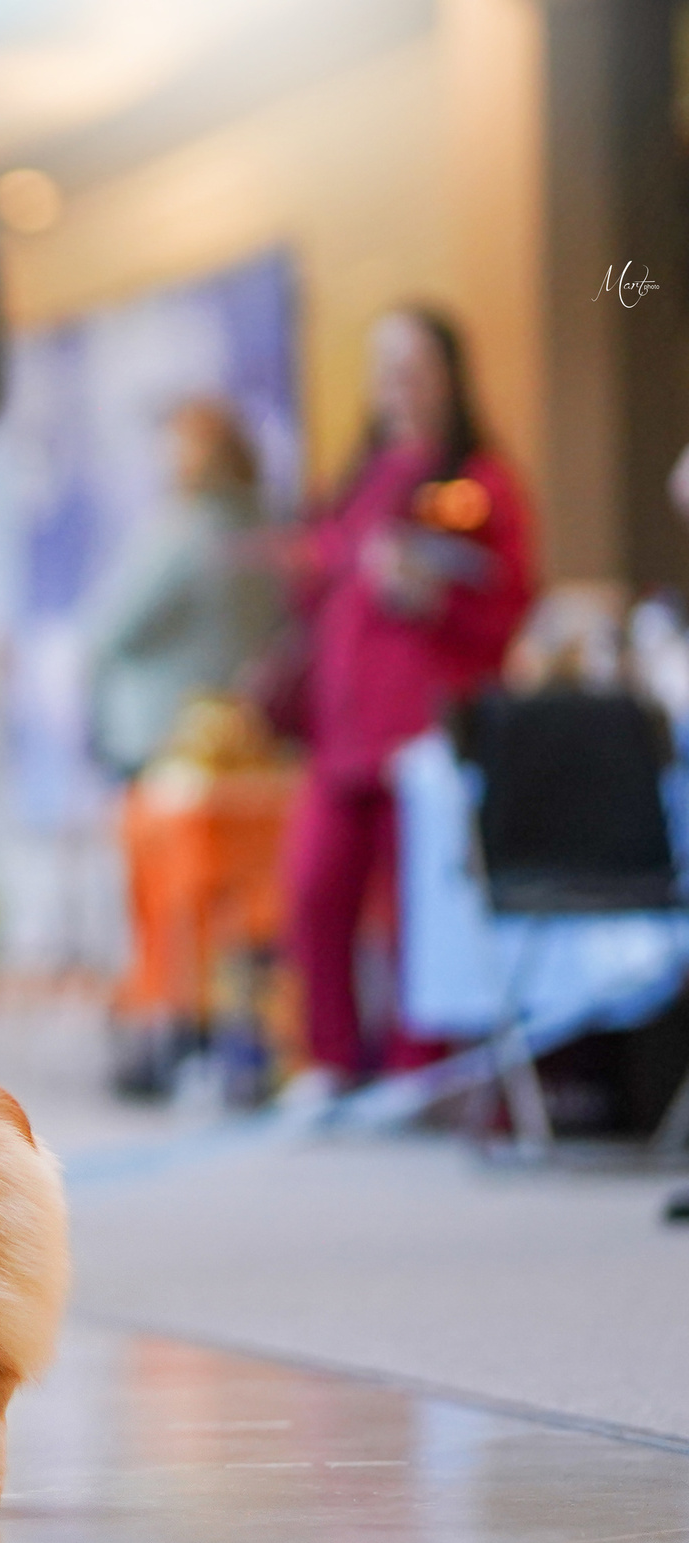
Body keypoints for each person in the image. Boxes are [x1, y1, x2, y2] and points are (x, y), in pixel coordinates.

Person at [280, 306, 533, 1106]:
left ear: (448, 374)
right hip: (343, 734)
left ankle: (416, 1070)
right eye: (384, 365)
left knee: (419, 906)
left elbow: (513, 598)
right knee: (315, 885)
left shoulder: (483, 481)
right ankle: (328, 1058)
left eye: (413, 364)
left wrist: (436, 600)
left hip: (424, 733)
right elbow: (317, 593)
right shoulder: (358, 479)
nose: (397, 382)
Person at [85, 399, 281, 779]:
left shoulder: (186, 533)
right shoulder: (267, 526)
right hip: (238, 731)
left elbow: (112, 627)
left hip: (163, 730)